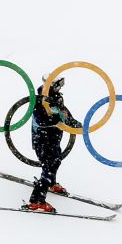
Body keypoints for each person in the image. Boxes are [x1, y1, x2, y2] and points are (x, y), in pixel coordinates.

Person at [25, 76, 81, 213]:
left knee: (56, 161)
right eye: (58, 84)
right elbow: (42, 120)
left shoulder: (57, 99)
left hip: (54, 139)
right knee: (49, 166)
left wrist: (76, 125)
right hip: (42, 141)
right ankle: (36, 200)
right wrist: (56, 119)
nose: (60, 87)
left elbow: (65, 116)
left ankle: (50, 183)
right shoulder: (40, 100)